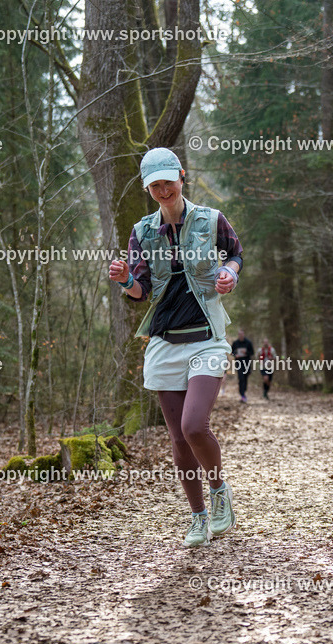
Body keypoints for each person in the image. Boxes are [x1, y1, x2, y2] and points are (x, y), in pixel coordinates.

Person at [108, 147, 243, 548]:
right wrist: (123, 279)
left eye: (168, 181)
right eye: (155, 185)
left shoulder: (211, 219)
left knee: (193, 425)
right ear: (148, 188)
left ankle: (219, 492)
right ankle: (197, 516)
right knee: (178, 439)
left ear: (181, 176)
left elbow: (235, 253)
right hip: (165, 343)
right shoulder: (142, 231)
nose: (163, 189)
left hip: (207, 337)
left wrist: (228, 274)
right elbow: (141, 291)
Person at [230, 330, 254, 402]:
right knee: (241, 378)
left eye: (242, 334)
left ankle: (244, 392)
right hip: (239, 363)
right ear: (238, 335)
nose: (240, 335)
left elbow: (252, 352)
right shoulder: (235, 343)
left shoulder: (248, 342)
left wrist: (246, 352)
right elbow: (231, 352)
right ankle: (242, 394)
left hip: (247, 363)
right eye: (239, 334)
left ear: (244, 334)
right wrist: (235, 355)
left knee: (245, 378)